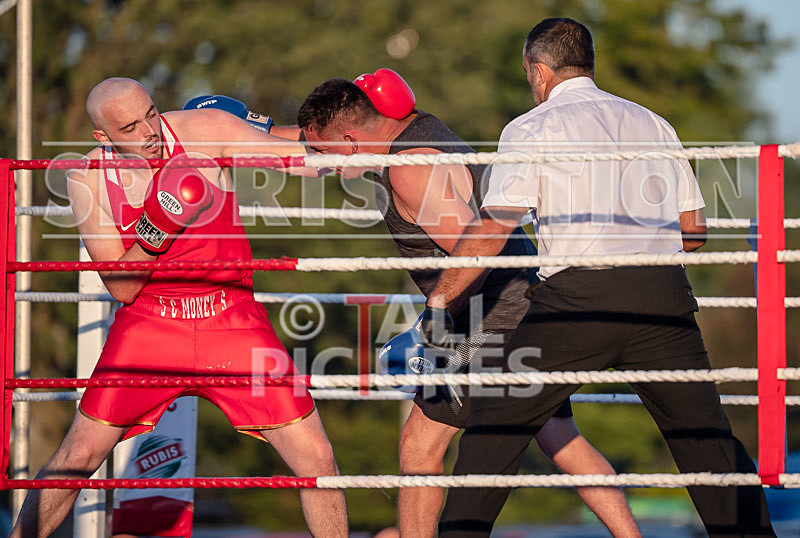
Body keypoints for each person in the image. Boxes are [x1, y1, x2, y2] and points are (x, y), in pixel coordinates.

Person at [422, 18, 775, 537]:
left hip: (577, 302)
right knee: (708, 444)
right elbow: (694, 231)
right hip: (662, 300)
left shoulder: (531, 128)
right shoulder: (654, 123)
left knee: (494, 429)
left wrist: (440, 297)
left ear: (537, 71)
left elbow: (495, 225)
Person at [297, 70, 640, 538]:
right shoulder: (424, 129)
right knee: (560, 438)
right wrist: (243, 128)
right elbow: (311, 138)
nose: (320, 166)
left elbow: (477, 254)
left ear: (351, 139)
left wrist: (432, 327)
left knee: (420, 444)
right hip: (521, 299)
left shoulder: (409, 170)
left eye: (323, 153)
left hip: (492, 312)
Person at [11, 77, 348, 537]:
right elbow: (121, 287)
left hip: (230, 318)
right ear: (103, 136)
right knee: (78, 455)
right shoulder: (87, 177)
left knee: (317, 457)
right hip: (150, 324)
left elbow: (303, 163)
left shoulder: (203, 129)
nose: (149, 131)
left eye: (150, 114)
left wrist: (368, 132)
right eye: (130, 127)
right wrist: (157, 227)